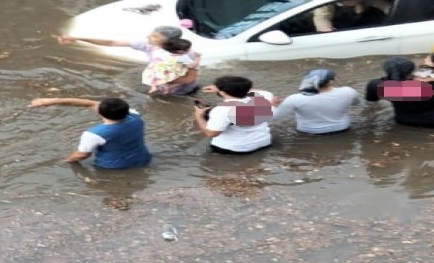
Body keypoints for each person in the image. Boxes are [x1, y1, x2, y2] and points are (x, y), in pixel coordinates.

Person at [57, 25, 201, 95]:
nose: (148, 37)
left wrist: (164, 84)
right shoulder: (148, 46)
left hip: (181, 90)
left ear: (169, 41)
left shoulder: (183, 54)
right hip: (162, 84)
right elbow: (111, 42)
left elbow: (189, 78)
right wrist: (78, 38)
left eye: (154, 36)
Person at [29, 97, 152, 169]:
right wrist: (49, 102)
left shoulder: (94, 134)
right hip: (143, 159)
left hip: (112, 168)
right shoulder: (135, 116)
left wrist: (64, 162)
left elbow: (82, 155)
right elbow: (91, 104)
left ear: (99, 112)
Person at [364, 56, 434, 128]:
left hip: (404, 122)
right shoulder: (432, 85)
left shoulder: (376, 85)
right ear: (411, 70)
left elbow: (371, 102)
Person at [193, 75, 275, 154]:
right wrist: (226, 88)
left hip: (235, 149)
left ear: (223, 93)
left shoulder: (222, 110)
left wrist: (199, 116)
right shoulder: (264, 96)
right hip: (264, 142)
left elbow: (211, 133)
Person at [271, 68, 362, 134]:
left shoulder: (295, 99)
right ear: (331, 81)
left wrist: (272, 105)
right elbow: (357, 104)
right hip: (342, 128)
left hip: (309, 131)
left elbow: (273, 117)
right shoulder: (348, 91)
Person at [312, 0, 390, 33]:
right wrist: (326, 29)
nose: (355, 0)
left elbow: (385, 6)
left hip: (360, 24)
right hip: (339, 26)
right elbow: (322, 18)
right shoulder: (328, 4)